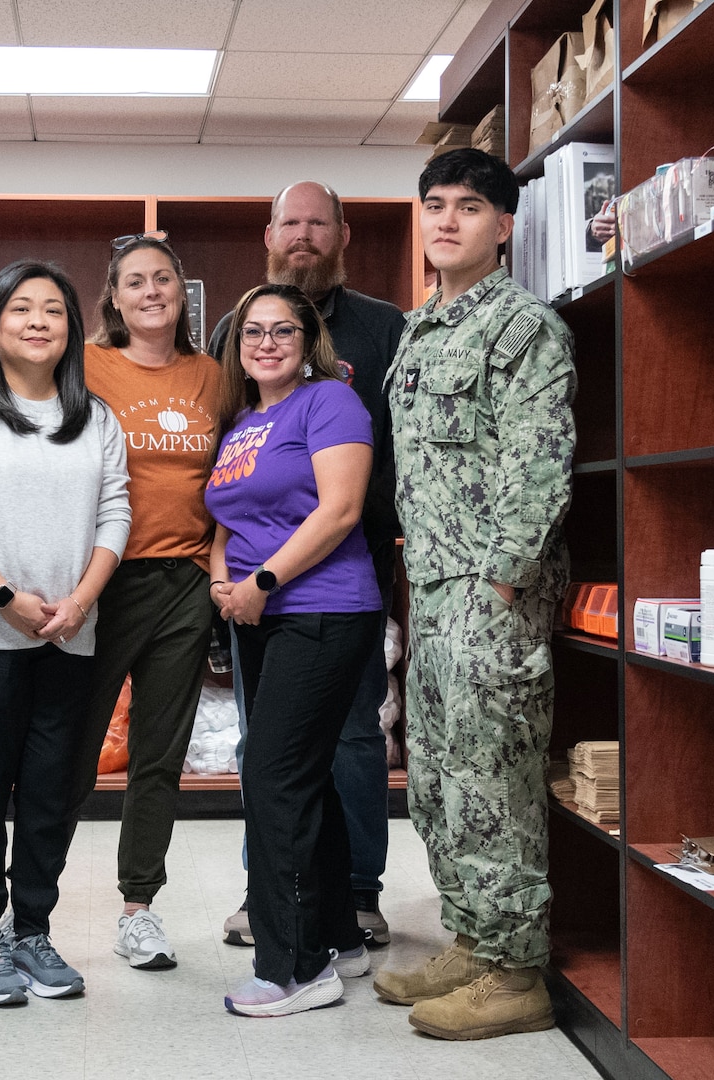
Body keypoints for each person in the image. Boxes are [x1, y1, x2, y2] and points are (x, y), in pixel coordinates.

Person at [0, 234, 222, 972]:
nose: (152, 291)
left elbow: (209, 480)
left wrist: (217, 568)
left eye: (164, 278)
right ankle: (6, 925)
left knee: (132, 758)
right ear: (112, 299)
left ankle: (106, 912)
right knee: (43, 767)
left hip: (150, 591)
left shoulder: (196, 381)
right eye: (135, 281)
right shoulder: (59, 373)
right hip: (62, 599)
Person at [370, 148, 575, 1041]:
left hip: (492, 597)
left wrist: (499, 585)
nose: (446, 220)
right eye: (434, 205)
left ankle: (517, 972)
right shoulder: (421, 329)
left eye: (468, 207)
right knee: (438, 780)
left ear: (504, 226)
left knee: (494, 779)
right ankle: (474, 939)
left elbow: (539, 466)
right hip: (433, 588)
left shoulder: (525, 328)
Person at [0, 260, 131, 1006]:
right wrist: (6, 598)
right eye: (21, 308)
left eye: (54, 310)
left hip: (69, 634)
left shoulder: (96, 419)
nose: (38, 321)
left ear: (73, 329)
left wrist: (80, 602)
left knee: (49, 792)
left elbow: (116, 514)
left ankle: (33, 929)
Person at [208, 181, 406, 950]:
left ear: (343, 234)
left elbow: (385, 466)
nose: (303, 235)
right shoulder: (233, 331)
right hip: (256, 593)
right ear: (269, 235)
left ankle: (354, 893)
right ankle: (274, 887)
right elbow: (227, 454)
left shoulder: (383, 329)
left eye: (318, 223)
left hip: (341, 577)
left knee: (350, 735)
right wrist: (231, 578)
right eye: (290, 222)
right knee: (266, 744)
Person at [206, 283, 381, 1017]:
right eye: (253, 331)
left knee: (273, 777)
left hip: (323, 610)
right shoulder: (243, 421)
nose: (267, 343)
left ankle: (295, 967)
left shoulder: (330, 403)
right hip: (257, 615)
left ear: (309, 342)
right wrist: (223, 581)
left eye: (283, 330)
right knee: (302, 775)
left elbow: (340, 511)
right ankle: (339, 936)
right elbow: (227, 517)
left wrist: (264, 582)